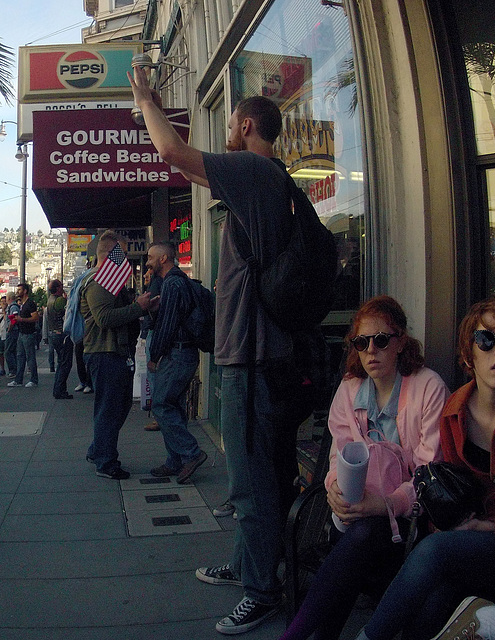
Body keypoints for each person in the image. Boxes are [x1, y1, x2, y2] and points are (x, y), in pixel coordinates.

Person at [129, 67, 312, 634]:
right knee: (259, 475)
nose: (227, 129)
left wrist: (144, 99)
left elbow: (172, 151)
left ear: (246, 123)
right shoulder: (263, 181)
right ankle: (246, 565)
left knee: (251, 483)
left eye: (231, 121)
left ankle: (261, 591)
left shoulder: (255, 171)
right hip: (257, 357)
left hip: (252, 361)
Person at [350, 296, 495, 640]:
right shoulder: (455, 410)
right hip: (466, 539)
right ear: (469, 354)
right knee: (433, 601)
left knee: (436, 552)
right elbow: (452, 488)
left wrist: (490, 525)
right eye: (487, 340)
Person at [279, 295, 449, 640]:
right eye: (361, 342)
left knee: (361, 539)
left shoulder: (428, 388)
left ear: (400, 342)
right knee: (358, 538)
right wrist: (333, 488)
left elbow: (431, 474)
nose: (371, 350)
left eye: (381, 340)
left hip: (412, 522)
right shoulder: (350, 388)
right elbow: (336, 456)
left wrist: (384, 505)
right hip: (354, 516)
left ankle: (296, 634)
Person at [82, 230, 156, 480]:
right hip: (104, 352)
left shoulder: (107, 282)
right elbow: (104, 319)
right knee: (110, 408)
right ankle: (105, 461)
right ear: (109, 254)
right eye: (122, 254)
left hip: (113, 351)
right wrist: (138, 307)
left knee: (116, 406)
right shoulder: (98, 282)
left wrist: (138, 307)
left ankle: (98, 450)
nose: (125, 259)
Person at [145, 241, 208, 483]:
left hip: (178, 353)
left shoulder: (172, 283)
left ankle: (191, 453)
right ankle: (175, 460)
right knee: (174, 406)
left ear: (163, 259)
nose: (148, 261)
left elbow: (167, 325)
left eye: (151, 257)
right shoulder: (177, 281)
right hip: (183, 352)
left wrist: (154, 356)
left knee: (161, 405)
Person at [45, 279, 74, 399]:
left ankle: (57, 389)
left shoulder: (50, 300)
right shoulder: (60, 300)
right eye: (61, 286)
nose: (62, 287)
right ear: (57, 288)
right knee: (65, 364)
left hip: (53, 334)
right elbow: (69, 312)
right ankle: (60, 390)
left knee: (61, 363)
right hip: (62, 335)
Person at [141, 267, 162, 431]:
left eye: (148, 268)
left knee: (154, 376)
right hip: (153, 333)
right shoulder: (159, 283)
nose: (144, 274)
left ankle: (159, 417)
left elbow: (151, 312)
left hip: (154, 333)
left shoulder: (157, 284)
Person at [8, 283, 39, 388]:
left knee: (30, 357)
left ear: (25, 291)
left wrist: (22, 319)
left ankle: (33, 380)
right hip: (22, 333)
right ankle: (18, 380)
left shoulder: (30, 304)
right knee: (20, 357)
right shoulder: (21, 304)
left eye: (20, 290)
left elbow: (35, 318)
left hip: (28, 334)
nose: (18, 292)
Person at [5, 291, 20, 378]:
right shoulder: (13, 307)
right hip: (14, 331)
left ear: (9, 298)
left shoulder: (13, 307)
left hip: (12, 331)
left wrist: (10, 328)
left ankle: (13, 370)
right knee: (12, 351)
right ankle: (15, 369)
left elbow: (14, 319)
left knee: (8, 351)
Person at [0, 296, 7, 376]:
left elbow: (7, 321)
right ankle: (2, 368)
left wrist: (4, 311)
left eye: (5, 302)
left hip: (6, 334)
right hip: (1, 334)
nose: (3, 303)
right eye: (2, 302)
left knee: (8, 352)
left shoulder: (9, 311)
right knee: (1, 353)